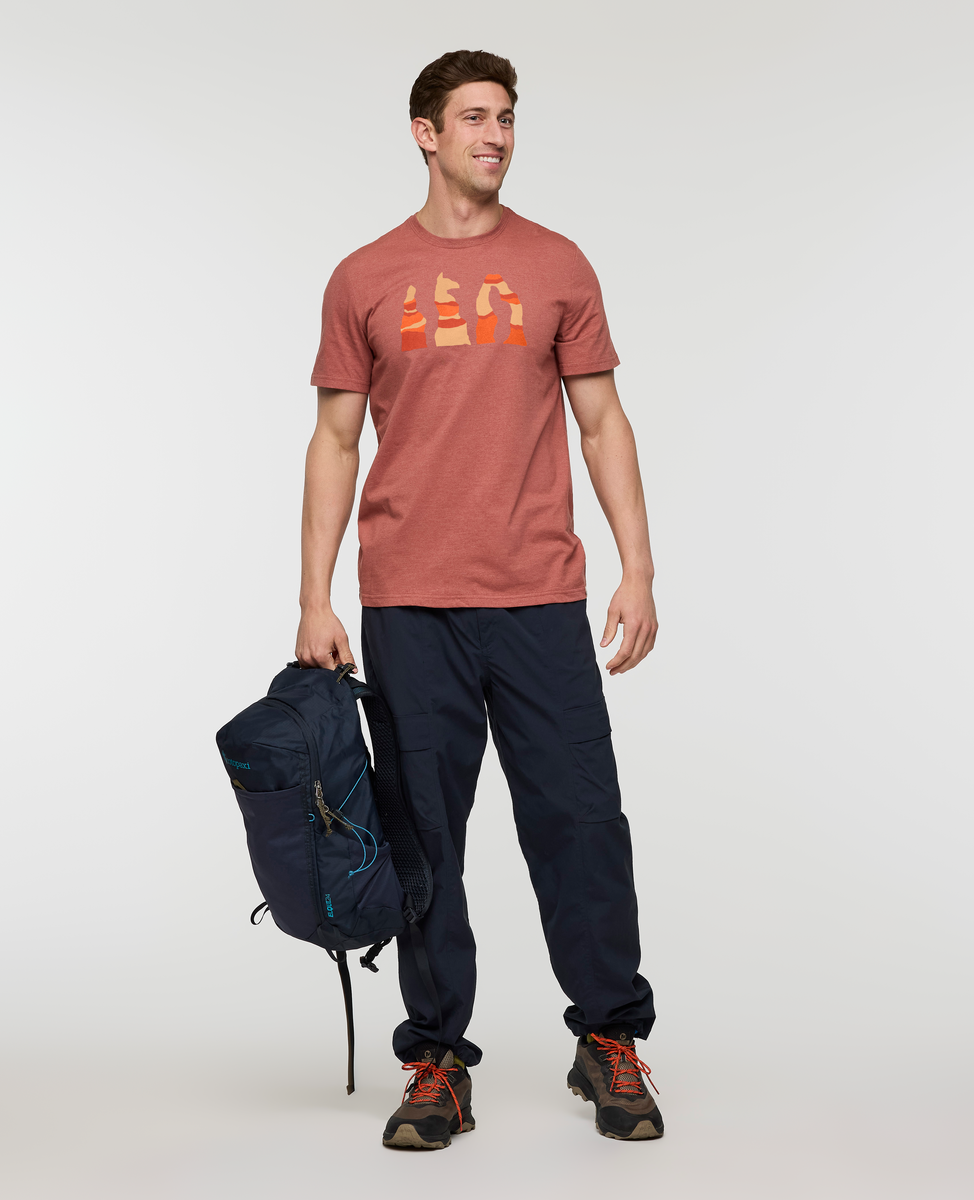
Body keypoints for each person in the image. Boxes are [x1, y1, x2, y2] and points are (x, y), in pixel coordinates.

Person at [297, 49, 661, 1148]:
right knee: (422, 840)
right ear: (426, 132)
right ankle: (436, 1061)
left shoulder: (557, 264)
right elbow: (334, 440)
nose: (496, 135)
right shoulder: (364, 277)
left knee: (581, 823)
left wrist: (638, 567)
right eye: (473, 117)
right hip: (410, 604)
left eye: (506, 117)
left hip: (539, 596)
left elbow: (602, 420)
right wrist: (314, 597)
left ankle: (609, 1038)